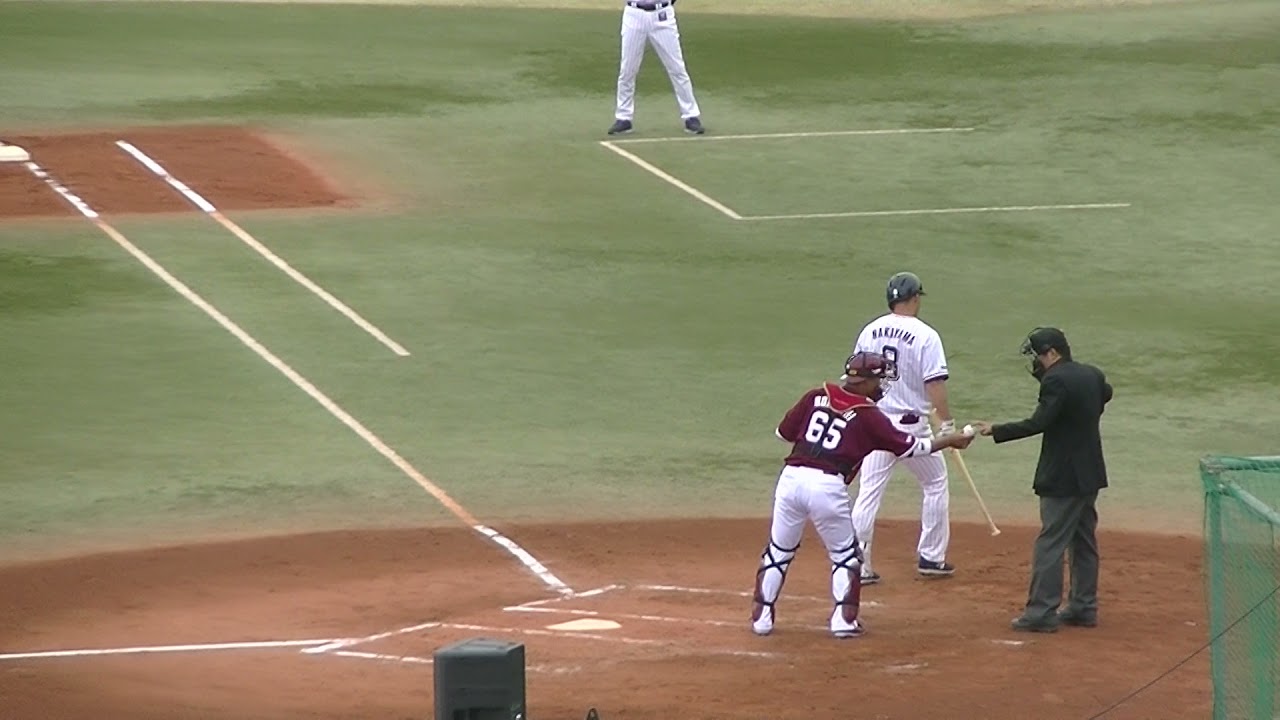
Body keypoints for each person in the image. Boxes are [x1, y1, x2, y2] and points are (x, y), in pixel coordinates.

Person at [750, 351, 974, 639]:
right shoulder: (869, 415)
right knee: (845, 556)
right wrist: (950, 439)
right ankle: (843, 622)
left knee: (779, 551)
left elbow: (784, 433)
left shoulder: (815, 396)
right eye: (879, 380)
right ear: (866, 382)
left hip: (790, 480)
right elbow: (913, 448)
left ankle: (761, 619)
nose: (881, 386)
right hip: (827, 486)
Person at [970, 327, 1113, 633]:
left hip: (1062, 475)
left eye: (1037, 356)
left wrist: (997, 429)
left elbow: (1039, 422)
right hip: (1091, 472)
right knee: (1084, 541)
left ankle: (1041, 612)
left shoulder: (1055, 380)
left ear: (1052, 353)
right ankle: (1083, 607)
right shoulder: (1092, 374)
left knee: (1051, 542)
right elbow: (1106, 395)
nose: (1036, 363)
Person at [848, 272, 956, 585]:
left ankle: (857, 565)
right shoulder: (926, 335)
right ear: (915, 298)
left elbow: (857, 377)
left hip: (875, 422)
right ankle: (931, 557)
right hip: (911, 428)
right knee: (935, 482)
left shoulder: (870, 329)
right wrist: (947, 424)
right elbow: (934, 384)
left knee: (868, 492)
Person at [607, 0, 705, 137]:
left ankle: (691, 116)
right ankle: (623, 117)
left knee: (677, 69)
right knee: (627, 70)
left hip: (662, 15)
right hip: (634, 14)